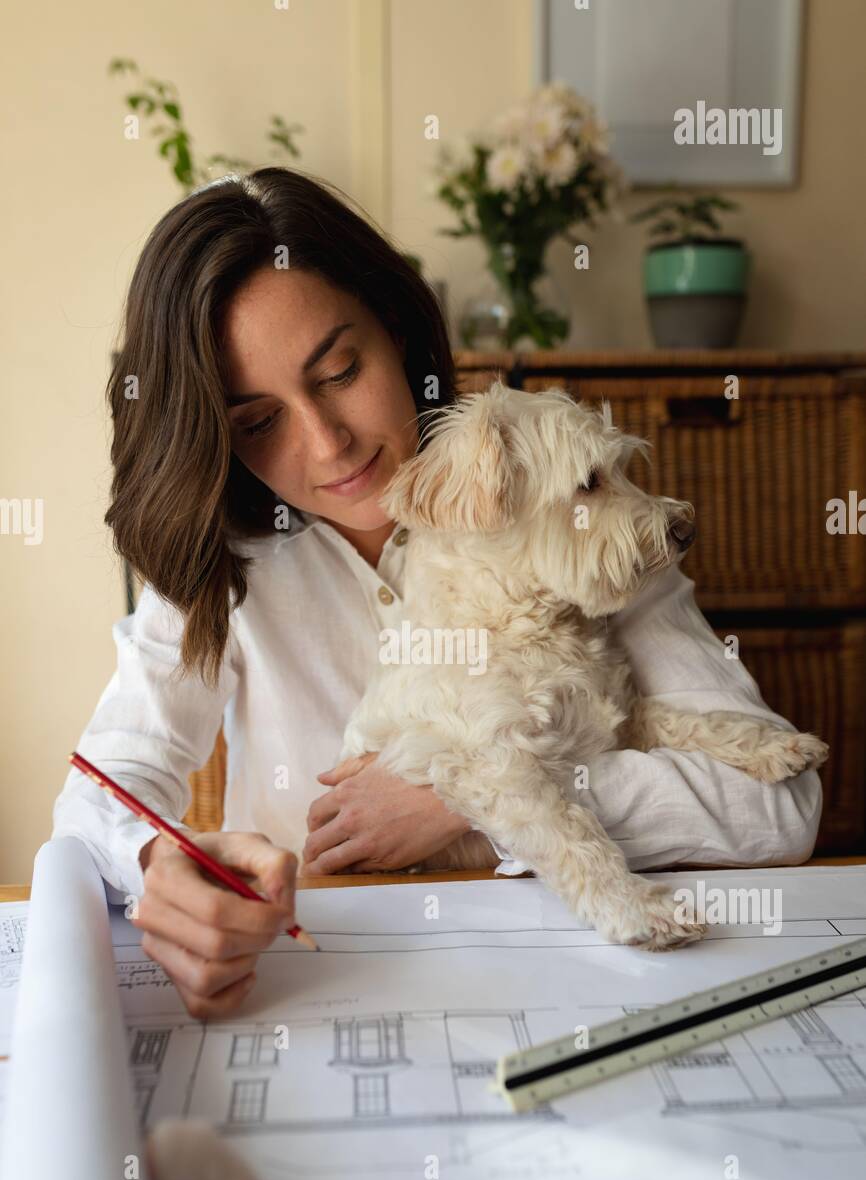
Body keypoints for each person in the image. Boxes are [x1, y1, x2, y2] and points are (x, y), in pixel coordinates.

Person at [52, 167, 821, 1020]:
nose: (329, 445)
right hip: (321, 991)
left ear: (397, 329)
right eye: (258, 423)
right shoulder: (219, 568)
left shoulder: (580, 518)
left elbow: (777, 806)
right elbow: (95, 803)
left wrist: (474, 802)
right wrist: (159, 869)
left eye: (341, 371)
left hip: (576, 986)